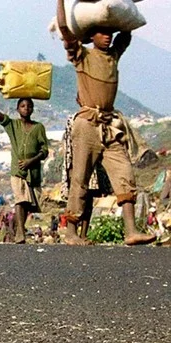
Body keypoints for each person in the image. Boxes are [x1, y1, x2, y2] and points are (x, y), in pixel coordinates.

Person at [56, 0, 155, 246]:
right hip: (87, 123)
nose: (108, 37)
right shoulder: (82, 56)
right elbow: (64, 29)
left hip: (111, 124)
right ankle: (71, 233)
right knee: (79, 177)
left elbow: (127, 31)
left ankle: (131, 231)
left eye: (110, 32)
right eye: (102, 32)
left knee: (124, 173)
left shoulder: (114, 56)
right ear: (91, 35)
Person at [0, 84, 49, 244]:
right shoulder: (13, 125)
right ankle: (21, 233)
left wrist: (31, 161)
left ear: (32, 109)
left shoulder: (38, 128)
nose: (26, 108)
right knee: (20, 200)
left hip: (33, 172)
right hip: (17, 171)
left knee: (28, 204)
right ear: (18, 109)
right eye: (23, 106)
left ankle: (18, 229)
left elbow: (45, 151)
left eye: (29, 106)